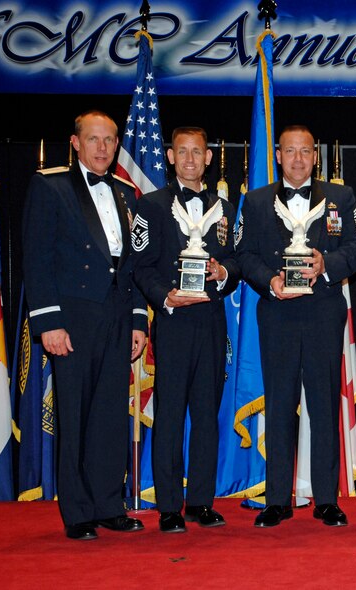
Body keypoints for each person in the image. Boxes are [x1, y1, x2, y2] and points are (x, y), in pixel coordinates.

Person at [22, 110, 148, 540]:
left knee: (110, 415)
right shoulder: (50, 185)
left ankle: (109, 504)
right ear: (75, 143)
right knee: (74, 415)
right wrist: (49, 322)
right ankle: (76, 512)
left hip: (116, 317)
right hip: (72, 319)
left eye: (109, 140)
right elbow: (36, 260)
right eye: (93, 139)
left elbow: (130, 267)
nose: (102, 148)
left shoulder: (126, 195)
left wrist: (137, 320)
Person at [237, 125, 356, 528]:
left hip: (324, 313)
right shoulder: (255, 201)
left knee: (325, 405)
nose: (297, 159)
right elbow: (244, 254)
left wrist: (327, 265)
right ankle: (278, 499)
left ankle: (327, 499)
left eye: (305, 151)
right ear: (278, 155)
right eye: (289, 151)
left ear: (316, 156)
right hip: (277, 313)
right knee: (278, 406)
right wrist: (270, 282)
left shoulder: (340, 197)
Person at [131, 127, 240, 533]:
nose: (191, 159)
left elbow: (237, 262)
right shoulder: (153, 206)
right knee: (171, 414)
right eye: (183, 152)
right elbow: (140, 267)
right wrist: (165, 296)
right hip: (174, 323)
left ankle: (200, 501)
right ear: (171, 156)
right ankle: (169, 506)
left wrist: (222, 271)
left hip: (211, 322)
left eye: (198, 152)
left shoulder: (225, 209)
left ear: (208, 158)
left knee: (208, 416)